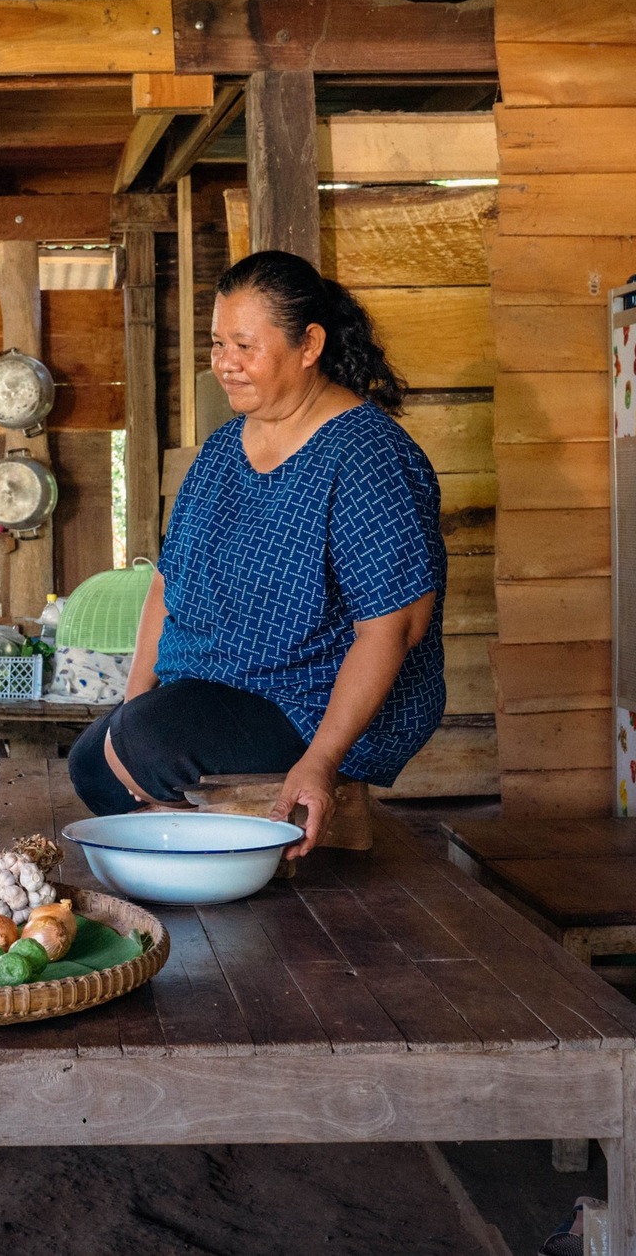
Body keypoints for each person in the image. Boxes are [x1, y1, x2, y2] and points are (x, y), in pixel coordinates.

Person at [66, 249, 447, 857]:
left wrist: (320, 761)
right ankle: (235, 843)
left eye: (245, 346)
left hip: (310, 702)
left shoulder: (367, 455)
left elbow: (395, 628)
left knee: (142, 745)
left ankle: (246, 840)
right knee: (92, 761)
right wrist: (133, 704)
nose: (225, 365)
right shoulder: (221, 452)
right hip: (222, 687)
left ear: (310, 344)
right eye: (218, 344)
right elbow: (169, 584)